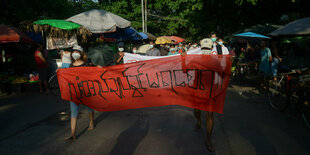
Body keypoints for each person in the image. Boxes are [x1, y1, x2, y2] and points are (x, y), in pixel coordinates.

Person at [65, 45, 95, 140]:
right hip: (74, 92)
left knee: (90, 108)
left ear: (81, 54)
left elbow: (91, 75)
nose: (75, 53)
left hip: (85, 91)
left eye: (77, 52)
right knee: (74, 113)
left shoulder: (86, 64)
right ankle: (73, 133)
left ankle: (91, 122)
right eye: (74, 51)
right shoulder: (70, 66)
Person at [194, 38, 215, 152]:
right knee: (196, 111)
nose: (206, 50)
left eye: (208, 48)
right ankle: (199, 120)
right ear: (201, 49)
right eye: (204, 49)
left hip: (210, 90)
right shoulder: (195, 59)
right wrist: (183, 59)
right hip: (197, 89)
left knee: (210, 114)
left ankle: (208, 139)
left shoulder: (216, 60)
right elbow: (184, 70)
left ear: (212, 49)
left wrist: (229, 62)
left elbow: (223, 73)